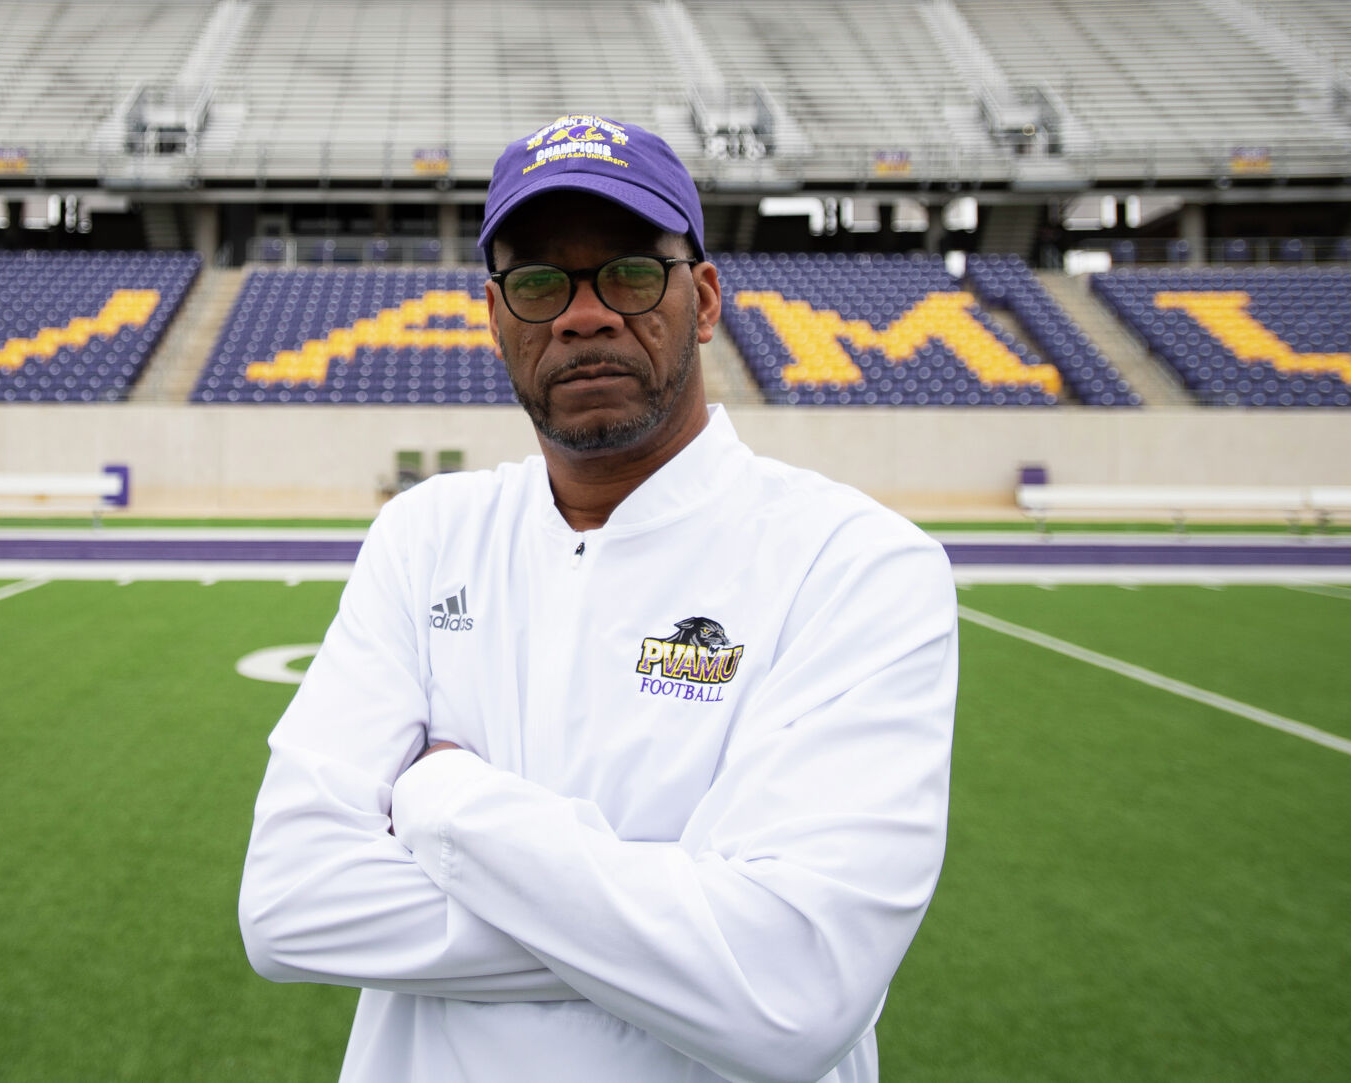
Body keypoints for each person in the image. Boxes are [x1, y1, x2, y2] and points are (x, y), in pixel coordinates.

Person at [238, 113, 957, 1083]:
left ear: (700, 299)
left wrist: (444, 801)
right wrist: (677, 937)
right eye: (537, 282)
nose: (583, 314)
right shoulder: (426, 535)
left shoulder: (853, 563)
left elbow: (786, 992)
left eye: (626, 271)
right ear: (495, 322)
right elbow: (290, 906)